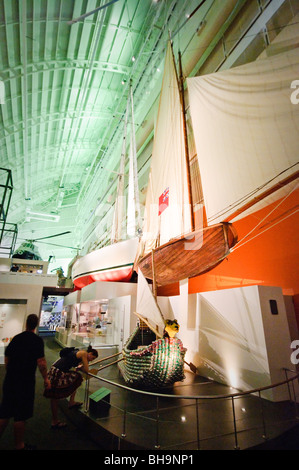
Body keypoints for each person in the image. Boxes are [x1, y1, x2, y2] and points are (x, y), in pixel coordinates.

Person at [0, 313, 51, 450]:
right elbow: (41, 363)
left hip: (10, 380)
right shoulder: (37, 341)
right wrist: (46, 378)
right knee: (20, 415)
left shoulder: (16, 338)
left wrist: (11, 371)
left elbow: (7, 358)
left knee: (5, 411)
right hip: (26, 382)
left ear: (26, 323)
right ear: (36, 325)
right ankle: (19, 445)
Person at [44, 345, 98, 429]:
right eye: (93, 357)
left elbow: (81, 369)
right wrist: (86, 365)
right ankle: (55, 421)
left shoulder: (79, 353)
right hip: (58, 372)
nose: (91, 360)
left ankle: (71, 403)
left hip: (57, 370)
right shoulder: (83, 353)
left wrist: (82, 367)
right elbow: (87, 370)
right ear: (90, 353)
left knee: (75, 380)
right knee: (54, 396)